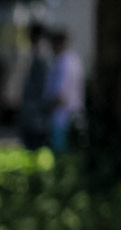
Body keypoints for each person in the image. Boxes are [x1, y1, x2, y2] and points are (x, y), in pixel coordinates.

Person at [44, 27, 84, 154]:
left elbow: (59, 95)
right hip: (75, 116)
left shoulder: (62, 63)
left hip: (61, 118)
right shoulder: (75, 60)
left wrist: (46, 108)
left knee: (61, 156)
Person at [18, 23, 50, 151]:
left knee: (35, 138)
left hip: (37, 106)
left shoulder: (42, 56)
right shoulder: (36, 53)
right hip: (34, 105)